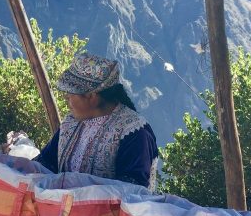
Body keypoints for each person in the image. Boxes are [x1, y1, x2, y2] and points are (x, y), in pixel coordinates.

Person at [35, 53, 159, 188]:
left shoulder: (135, 132)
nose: (66, 98)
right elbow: (46, 162)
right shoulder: (71, 123)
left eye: (71, 93)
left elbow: (133, 189)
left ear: (91, 95)